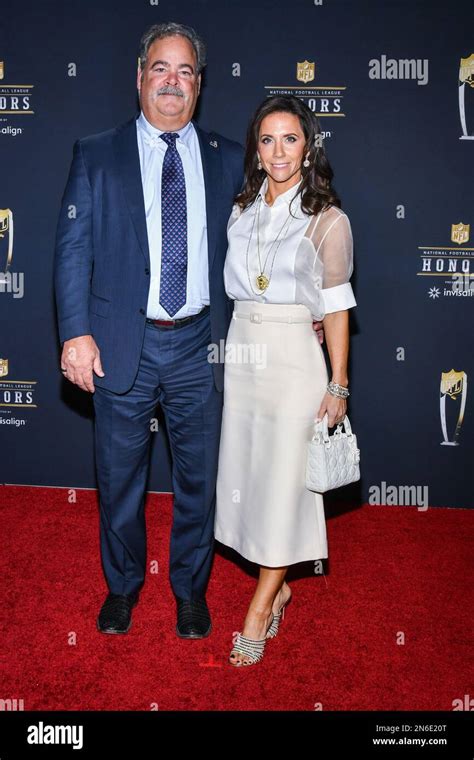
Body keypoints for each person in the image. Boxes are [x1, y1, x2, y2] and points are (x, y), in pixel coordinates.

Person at [54, 22, 245, 639]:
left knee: (200, 479)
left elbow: (264, 247)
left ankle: (190, 589)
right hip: (119, 347)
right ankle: (123, 587)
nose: (172, 81)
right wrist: (75, 332)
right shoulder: (97, 151)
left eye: (185, 71)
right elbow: (71, 249)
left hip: (200, 346)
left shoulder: (229, 159)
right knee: (119, 481)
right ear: (139, 78)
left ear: (199, 85)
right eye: (160, 68)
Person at [215, 94, 357, 666]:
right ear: (256, 147)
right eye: (267, 139)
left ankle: (260, 606)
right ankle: (280, 586)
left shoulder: (328, 219)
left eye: (290, 139)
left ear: (309, 145)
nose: (278, 151)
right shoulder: (241, 206)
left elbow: (338, 307)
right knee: (251, 478)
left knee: (285, 489)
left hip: (296, 361)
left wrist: (339, 383)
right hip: (244, 353)